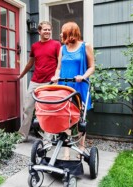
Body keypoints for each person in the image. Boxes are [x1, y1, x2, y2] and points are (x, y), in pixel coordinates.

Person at [51, 21, 95, 159]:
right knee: (65, 116)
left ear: (70, 32)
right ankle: (66, 151)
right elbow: (58, 67)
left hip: (79, 85)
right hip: (65, 86)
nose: (60, 34)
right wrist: (56, 76)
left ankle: (81, 147)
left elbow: (92, 67)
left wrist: (83, 76)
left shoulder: (85, 46)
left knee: (80, 118)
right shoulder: (62, 48)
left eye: (63, 31)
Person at [17, 21, 61, 142]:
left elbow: (60, 63)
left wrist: (57, 76)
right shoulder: (35, 46)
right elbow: (30, 63)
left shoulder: (56, 44)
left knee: (48, 109)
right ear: (39, 31)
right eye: (45, 30)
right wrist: (21, 75)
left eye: (49, 30)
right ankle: (22, 135)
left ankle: (47, 138)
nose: (47, 32)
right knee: (27, 108)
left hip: (50, 82)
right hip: (35, 81)